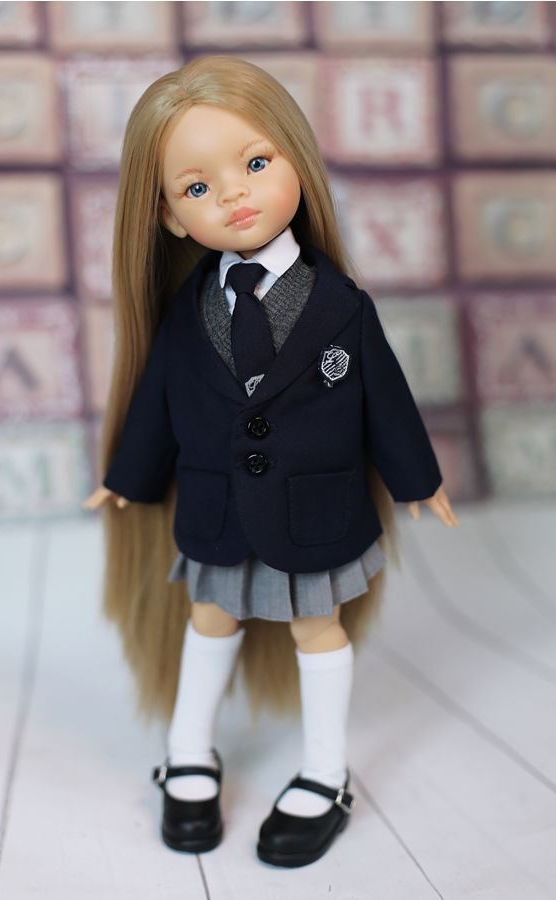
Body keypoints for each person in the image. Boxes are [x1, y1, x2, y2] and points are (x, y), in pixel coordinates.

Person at [84, 55, 458, 868]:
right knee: (208, 621)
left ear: (296, 159)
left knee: (316, 629)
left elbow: (384, 400)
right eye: (197, 187)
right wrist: (126, 478)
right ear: (170, 217)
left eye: (255, 163)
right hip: (218, 510)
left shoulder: (340, 307)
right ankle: (188, 753)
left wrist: (418, 480)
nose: (233, 194)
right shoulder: (187, 313)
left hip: (313, 511)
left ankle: (324, 773)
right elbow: (156, 401)